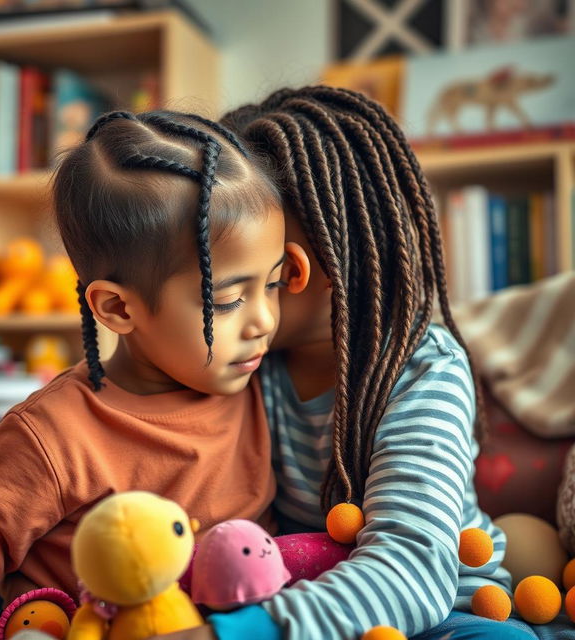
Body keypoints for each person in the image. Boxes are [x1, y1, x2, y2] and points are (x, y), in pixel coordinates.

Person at [159, 86, 539, 640]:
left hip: (446, 612)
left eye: (226, 268)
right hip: (297, 600)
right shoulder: (241, 364)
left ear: (293, 270)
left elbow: (414, 570)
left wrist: (240, 633)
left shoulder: (421, 367)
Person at [0, 109, 310, 640]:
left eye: (272, 283)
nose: (265, 321)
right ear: (116, 309)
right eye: (228, 301)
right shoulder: (52, 438)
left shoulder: (259, 380)